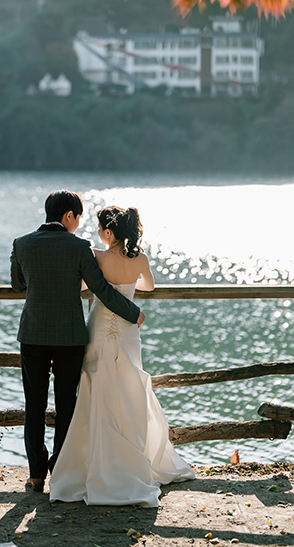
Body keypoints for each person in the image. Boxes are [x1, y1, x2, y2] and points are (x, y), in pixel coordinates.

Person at [49, 206, 196, 506]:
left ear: (108, 231)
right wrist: (129, 286)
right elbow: (149, 286)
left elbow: (83, 285)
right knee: (129, 392)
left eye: (101, 228)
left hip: (100, 327)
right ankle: (133, 460)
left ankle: (93, 465)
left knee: (96, 390)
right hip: (128, 331)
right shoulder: (140, 258)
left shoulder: (95, 256)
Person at [11, 191, 145, 494]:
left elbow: (17, 283)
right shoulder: (79, 247)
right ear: (69, 216)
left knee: (34, 405)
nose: (79, 223)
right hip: (70, 338)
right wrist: (132, 311)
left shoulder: (22, 244)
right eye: (78, 217)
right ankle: (60, 470)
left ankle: (35, 475)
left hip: (32, 335)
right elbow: (101, 289)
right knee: (66, 405)